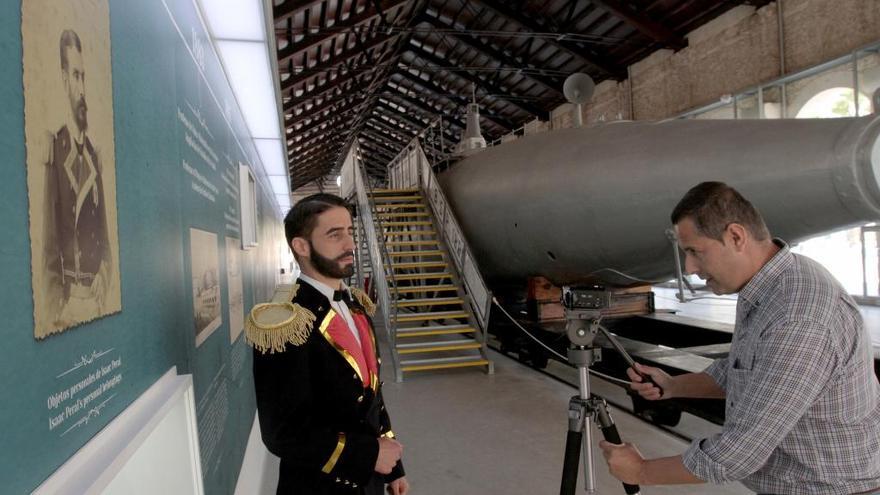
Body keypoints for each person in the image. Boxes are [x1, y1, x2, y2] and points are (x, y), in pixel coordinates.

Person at [600, 181, 880, 494]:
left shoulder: (798, 316)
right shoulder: (768, 287)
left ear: (736, 236)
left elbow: (739, 453)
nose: (690, 267)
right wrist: (673, 385)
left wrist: (641, 471)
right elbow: (743, 371)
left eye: (695, 252)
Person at [248, 193, 409, 495]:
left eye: (350, 232)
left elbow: (374, 397)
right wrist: (370, 455)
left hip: (369, 478)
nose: (350, 245)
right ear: (302, 246)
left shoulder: (357, 306)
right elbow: (282, 433)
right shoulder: (285, 323)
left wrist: (393, 469)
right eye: (335, 235)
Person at [43, 29, 112, 326]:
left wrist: (104, 275)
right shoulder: (55, 151)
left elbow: (106, 241)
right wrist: (57, 308)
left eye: (83, 76)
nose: (81, 88)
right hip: (69, 310)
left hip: (96, 305)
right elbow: (48, 251)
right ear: (63, 79)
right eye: (75, 76)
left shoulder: (95, 155)